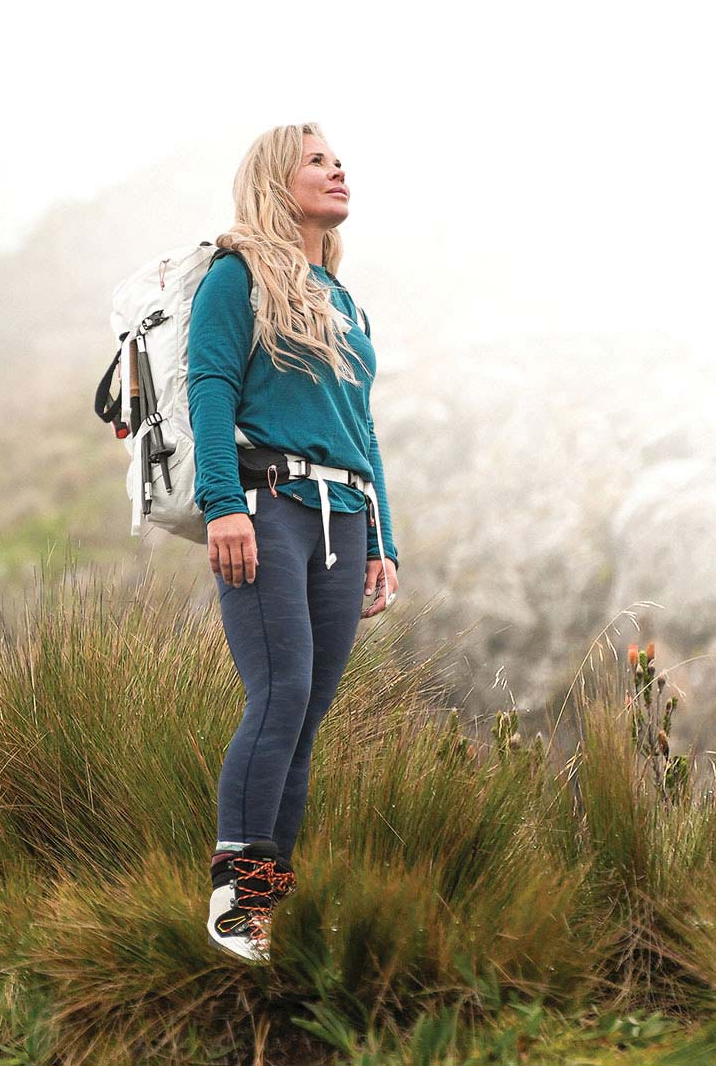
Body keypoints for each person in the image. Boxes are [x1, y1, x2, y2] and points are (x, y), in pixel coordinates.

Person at [188, 123, 401, 964]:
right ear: (278, 180)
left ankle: (269, 911)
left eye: (338, 158)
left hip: (345, 518)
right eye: (317, 159)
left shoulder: (343, 300)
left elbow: (363, 430)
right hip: (266, 502)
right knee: (279, 693)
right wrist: (220, 506)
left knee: (307, 715)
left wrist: (385, 540)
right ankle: (235, 906)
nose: (337, 167)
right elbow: (211, 386)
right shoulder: (235, 274)